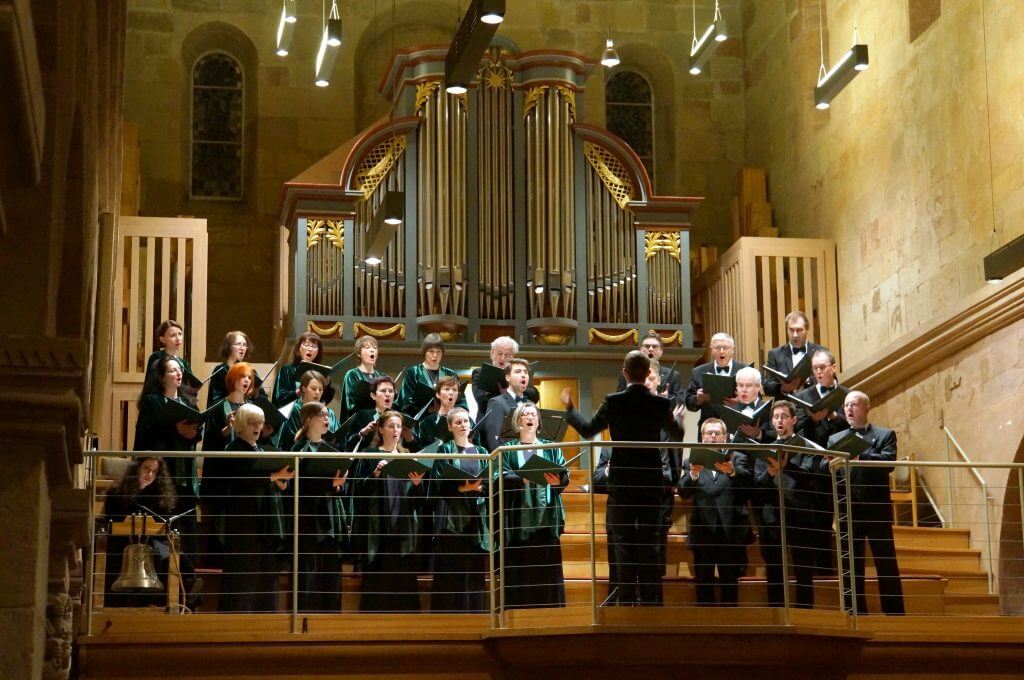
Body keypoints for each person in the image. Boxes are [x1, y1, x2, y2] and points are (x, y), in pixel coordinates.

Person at [562, 350, 686, 606]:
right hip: (650, 480)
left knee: (623, 541)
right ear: (648, 373)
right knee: (649, 542)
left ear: (624, 372)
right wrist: (676, 419)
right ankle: (651, 599)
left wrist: (571, 409)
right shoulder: (661, 404)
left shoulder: (614, 401)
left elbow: (587, 430)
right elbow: (677, 434)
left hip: (622, 480)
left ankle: (626, 598)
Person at [202, 403, 293, 612]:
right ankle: (238, 618)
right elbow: (238, 481)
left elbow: (265, 480)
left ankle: (264, 618)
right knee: (244, 571)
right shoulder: (233, 449)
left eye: (260, 423)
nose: (257, 427)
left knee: (265, 570)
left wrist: (281, 481)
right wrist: (272, 477)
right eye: (252, 423)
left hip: (264, 517)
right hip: (244, 519)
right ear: (241, 425)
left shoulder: (262, 449)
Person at [827, 390, 905, 615]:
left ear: (866, 407)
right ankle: (855, 612)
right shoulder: (835, 439)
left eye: (854, 404)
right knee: (851, 564)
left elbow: (889, 462)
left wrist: (861, 458)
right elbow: (827, 469)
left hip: (876, 508)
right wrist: (829, 464)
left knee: (886, 562)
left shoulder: (884, 434)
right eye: (846, 405)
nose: (849, 409)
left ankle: (895, 613)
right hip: (848, 509)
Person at [751, 400, 828, 609]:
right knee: (774, 567)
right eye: (775, 417)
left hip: (800, 514)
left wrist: (787, 467)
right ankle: (776, 613)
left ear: (793, 420)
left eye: (783, 417)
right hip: (772, 516)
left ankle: (805, 613)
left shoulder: (805, 446)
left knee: (803, 569)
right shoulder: (764, 450)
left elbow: (811, 476)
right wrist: (770, 472)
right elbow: (757, 486)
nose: (779, 421)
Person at [351, 410, 426, 612]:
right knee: (379, 576)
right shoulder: (369, 455)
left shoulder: (407, 457)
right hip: (379, 526)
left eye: (399, 427)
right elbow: (358, 490)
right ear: (381, 429)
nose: (396, 430)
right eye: (391, 426)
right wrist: (375, 473)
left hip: (403, 525)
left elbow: (419, 500)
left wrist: (417, 484)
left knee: (404, 577)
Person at [500, 401, 568, 608]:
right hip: (520, 518)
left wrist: (559, 481)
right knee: (521, 568)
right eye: (525, 415)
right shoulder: (508, 449)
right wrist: (522, 478)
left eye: (533, 415)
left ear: (539, 422)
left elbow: (563, 474)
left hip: (546, 516)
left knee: (547, 566)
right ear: (517, 422)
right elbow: (500, 475)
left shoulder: (550, 447)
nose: (530, 417)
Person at [134, 355, 202, 563]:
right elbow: (147, 432)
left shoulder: (188, 401)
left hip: (184, 473)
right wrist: (176, 429)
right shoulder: (152, 401)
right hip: (164, 471)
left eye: (180, 369)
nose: (179, 373)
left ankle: (189, 579)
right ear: (162, 377)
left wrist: (193, 434)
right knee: (164, 528)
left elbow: (196, 430)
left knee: (186, 526)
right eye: (173, 370)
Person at [678, 418, 752, 606]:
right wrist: (693, 474)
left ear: (725, 437)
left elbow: (749, 484)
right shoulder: (691, 462)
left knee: (730, 582)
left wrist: (733, 472)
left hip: (730, 532)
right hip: (703, 532)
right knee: (703, 582)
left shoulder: (737, 458)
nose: (712, 437)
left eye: (717, 433)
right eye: (708, 433)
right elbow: (683, 491)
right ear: (702, 438)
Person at [101, 456, 186, 608]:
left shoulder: (160, 496)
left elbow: (168, 523)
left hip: (153, 543)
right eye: (146, 469)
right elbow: (110, 522)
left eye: (155, 471)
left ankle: (163, 602)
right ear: (136, 468)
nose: (150, 475)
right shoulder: (116, 494)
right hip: (122, 543)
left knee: (174, 558)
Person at [429, 407, 489, 612]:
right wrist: (464, 488)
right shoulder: (445, 449)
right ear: (450, 426)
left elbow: (492, 480)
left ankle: (474, 612)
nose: (463, 425)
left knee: (473, 568)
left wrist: (480, 488)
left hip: (475, 516)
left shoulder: (481, 451)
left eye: (466, 421)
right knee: (452, 567)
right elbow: (438, 482)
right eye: (458, 422)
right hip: (452, 517)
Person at [794, 349, 848, 575]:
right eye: (815, 369)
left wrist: (835, 417)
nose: (817, 372)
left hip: (842, 466)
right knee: (820, 523)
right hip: (815, 470)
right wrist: (813, 421)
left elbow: (855, 426)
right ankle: (824, 573)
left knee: (846, 524)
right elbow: (797, 430)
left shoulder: (846, 394)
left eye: (822, 368)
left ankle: (847, 575)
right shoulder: (804, 396)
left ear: (832, 368)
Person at [292, 401, 349, 612]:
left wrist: (339, 485)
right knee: (311, 572)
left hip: (330, 515)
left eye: (328, 415)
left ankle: (331, 619)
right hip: (310, 518)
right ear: (309, 420)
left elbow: (337, 485)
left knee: (331, 571)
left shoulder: (331, 449)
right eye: (322, 415)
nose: (327, 418)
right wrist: (329, 483)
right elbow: (298, 485)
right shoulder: (298, 448)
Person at [684, 332, 748, 429]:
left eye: (725, 347)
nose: (721, 351)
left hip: (737, 427)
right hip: (708, 429)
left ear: (733, 349)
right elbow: (689, 403)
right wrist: (698, 399)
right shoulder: (698, 371)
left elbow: (757, 399)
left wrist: (741, 401)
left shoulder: (745, 370)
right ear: (711, 350)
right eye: (717, 348)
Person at [397, 333, 466, 416]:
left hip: (446, 420)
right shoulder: (413, 372)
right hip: (421, 422)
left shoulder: (451, 374)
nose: (435, 355)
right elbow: (405, 402)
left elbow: (461, 401)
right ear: (424, 352)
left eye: (438, 352)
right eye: (431, 351)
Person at [763, 310, 826, 399]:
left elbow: (832, 380)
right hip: (786, 407)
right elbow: (767, 387)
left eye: (799, 330)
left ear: (807, 329)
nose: (795, 335)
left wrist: (807, 380)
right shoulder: (775, 354)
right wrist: (783, 388)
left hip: (814, 408)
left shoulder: (821, 352)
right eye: (791, 330)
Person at [202, 361, 258, 453]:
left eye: (249, 377)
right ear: (233, 379)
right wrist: (228, 428)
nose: (247, 380)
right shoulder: (219, 406)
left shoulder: (252, 407)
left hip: (246, 461)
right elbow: (210, 440)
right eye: (243, 376)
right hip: (224, 461)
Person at [479, 358, 532, 453]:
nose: (523, 375)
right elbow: (493, 439)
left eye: (526, 372)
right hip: (509, 460)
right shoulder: (497, 402)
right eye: (518, 372)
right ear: (508, 378)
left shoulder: (530, 404)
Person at [279, 370, 339, 450]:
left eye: (320, 389)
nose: (317, 392)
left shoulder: (329, 412)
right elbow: (290, 442)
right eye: (313, 389)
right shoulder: (295, 410)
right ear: (303, 389)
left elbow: (339, 438)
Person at [273, 332, 335, 408]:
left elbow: (324, 401)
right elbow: (278, 398)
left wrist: (326, 386)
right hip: (291, 414)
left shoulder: (320, 373)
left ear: (318, 351)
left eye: (314, 346)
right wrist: (299, 392)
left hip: (312, 413)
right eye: (306, 345)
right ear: (299, 348)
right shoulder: (287, 370)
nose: (310, 349)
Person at [616, 330, 683, 399]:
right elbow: (618, 399)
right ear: (640, 349)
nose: (650, 349)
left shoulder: (673, 375)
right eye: (647, 346)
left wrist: (666, 399)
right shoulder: (628, 373)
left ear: (661, 351)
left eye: (654, 347)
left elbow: (680, 401)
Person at [415, 375, 473, 445]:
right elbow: (423, 450)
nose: (451, 393)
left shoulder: (468, 421)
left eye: (454, 390)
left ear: (458, 395)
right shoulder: (427, 423)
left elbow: (479, 449)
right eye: (447, 389)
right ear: (438, 394)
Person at [726, 366, 776, 444]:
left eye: (748, 386)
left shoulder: (769, 409)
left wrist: (758, 433)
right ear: (736, 387)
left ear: (758, 387)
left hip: (760, 454)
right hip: (735, 454)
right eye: (741, 385)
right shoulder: (728, 410)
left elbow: (776, 435)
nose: (744, 389)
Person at [471, 336, 518, 416]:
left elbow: (532, 394)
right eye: (500, 354)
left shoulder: (517, 374)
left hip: (512, 422)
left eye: (507, 355)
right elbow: (481, 399)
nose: (502, 358)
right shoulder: (480, 373)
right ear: (492, 353)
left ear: (513, 357)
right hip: (488, 422)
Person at [340, 335, 384, 419]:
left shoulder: (382, 377)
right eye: (367, 348)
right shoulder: (352, 375)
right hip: (360, 421)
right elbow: (350, 405)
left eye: (375, 348)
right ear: (359, 353)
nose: (372, 350)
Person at [209, 331, 257, 405]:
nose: (242, 348)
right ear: (229, 347)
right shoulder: (220, 371)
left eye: (244, 345)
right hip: (226, 411)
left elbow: (261, 397)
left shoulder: (250, 371)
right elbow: (215, 400)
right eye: (238, 344)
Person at [143, 319, 192, 386]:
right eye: (173, 335)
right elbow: (150, 384)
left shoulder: (184, 364)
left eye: (180, 334)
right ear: (162, 339)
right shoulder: (157, 357)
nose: (178, 339)